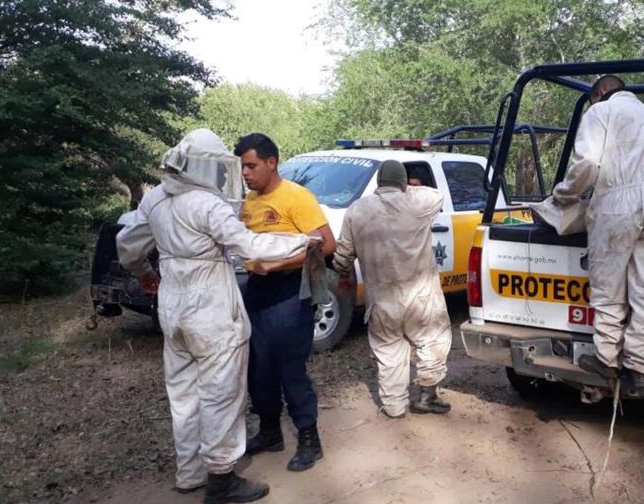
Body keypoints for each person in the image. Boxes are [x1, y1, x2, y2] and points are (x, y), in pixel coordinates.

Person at [117, 128, 313, 504]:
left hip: (172, 306)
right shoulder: (207, 204)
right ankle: (222, 480)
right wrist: (301, 241)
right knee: (222, 393)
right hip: (211, 309)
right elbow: (251, 244)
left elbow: (127, 246)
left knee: (183, 393)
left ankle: (189, 473)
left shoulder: (155, 200)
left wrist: (145, 274)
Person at [552, 75, 644, 390]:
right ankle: (641, 365)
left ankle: (607, 358)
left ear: (601, 92)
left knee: (608, 288)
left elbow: (588, 165)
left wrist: (564, 195)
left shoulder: (600, 112)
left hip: (618, 204)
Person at [235, 133, 336, 472]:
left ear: (271, 162)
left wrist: (279, 264)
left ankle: (309, 438)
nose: (246, 173)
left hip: (289, 292)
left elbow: (327, 244)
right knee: (258, 366)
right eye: (242, 167)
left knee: (289, 367)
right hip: (256, 290)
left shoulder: (296, 196)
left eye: (251, 166)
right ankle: (269, 431)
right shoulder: (249, 201)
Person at [333, 160, 452, 418]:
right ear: (403, 182)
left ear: (378, 182)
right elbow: (437, 194)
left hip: (381, 299)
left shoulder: (357, 210)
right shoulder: (418, 203)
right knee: (432, 340)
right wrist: (406, 189)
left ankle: (394, 407)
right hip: (422, 297)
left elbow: (342, 257)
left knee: (389, 352)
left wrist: (341, 270)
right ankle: (427, 396)